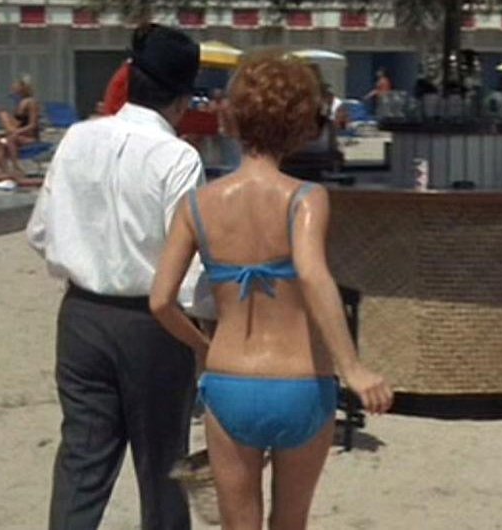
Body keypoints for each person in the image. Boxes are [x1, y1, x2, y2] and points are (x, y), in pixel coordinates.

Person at [149, 54, 393, 530]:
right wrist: (352, 367)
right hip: (301, 380)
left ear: (235, 117)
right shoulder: (305, 198)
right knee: (291, 520)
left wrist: (203, 345)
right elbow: (313, 275)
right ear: (298, 124)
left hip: (230, 380)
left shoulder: (197, 205)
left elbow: (160, 301)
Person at [27, 23, 204, 530]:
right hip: (152, 324)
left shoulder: (78, 138)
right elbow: (188, 271)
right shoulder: (178, 157)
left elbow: (40, 232)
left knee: (82, 462)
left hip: (81, 315)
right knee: (164, 465)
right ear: (182, 99)